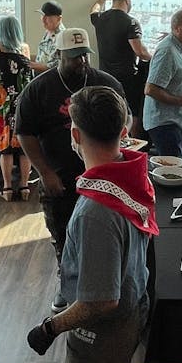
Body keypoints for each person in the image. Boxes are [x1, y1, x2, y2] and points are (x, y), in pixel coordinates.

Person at [27, 85, 156, 363]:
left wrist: (50, 328)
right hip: (133, 307)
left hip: (103, 334)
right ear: (123, 131)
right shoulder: (133, 173)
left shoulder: (95, 213)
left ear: (75, 135)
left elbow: (100, 300)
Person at [16, 28, 125, 315]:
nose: (81, 63)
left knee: (104, 238)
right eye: (74, 57)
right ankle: (68, 287)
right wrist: (45, 172)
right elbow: (25, 133)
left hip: (104, 179)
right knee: (64, 237)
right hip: (61, 179)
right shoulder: (38, 89)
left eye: (84, 56)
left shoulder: (107, 84)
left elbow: (123, 127)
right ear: (59, 56)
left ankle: (105, 289)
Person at [89, 0, 152, 138]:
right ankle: (132, 146)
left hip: (105, 77)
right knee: (132, 115)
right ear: (127, 0)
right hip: (127, 78)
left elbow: (93, 10)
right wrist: (154, 57)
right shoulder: (131, 22)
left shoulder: (100, 18)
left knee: (109, 112)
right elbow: (140, 51)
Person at [0, 16, 34, 201]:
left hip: (1, 101)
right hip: (22, 101)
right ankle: (24, 186)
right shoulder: (24, 47)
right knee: (23, 147)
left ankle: (6, 188)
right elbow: (28, 72)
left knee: (5, 148)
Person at [143, 10, 182, 158]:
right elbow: (151, 89)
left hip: (173, 120)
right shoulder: (167, 51)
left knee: (173, 165)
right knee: (174, 170)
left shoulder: (180, 48)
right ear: (177, 28)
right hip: (163, 122)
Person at [28, 0, 65, 74]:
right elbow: (42, 59)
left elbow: (55, 68)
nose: (43, 20)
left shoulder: (62, 37)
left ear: (59, 19)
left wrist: (31, 65)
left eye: (47, 17)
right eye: (42, 15)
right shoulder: (48, 31)